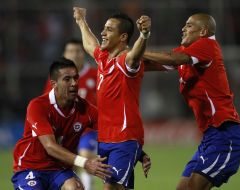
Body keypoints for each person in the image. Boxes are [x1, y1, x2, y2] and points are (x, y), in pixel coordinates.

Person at [143, 13, 240, 189]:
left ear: (203, 31)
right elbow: (149, 64)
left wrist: (129, 52)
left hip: (225, 134)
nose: (183, 29)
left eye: (189, 25)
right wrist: (123, 59)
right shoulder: (187, 54)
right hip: (210, 137)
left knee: (193, 187)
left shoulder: (207, 45)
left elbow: (171, 58)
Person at [73, 7, 151, 190]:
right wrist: (81, 21)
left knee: (111, 188)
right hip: (106, 139)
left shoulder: (126, 61)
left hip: (123, 138)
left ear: (123, 37)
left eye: (109, 29)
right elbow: (89, 45)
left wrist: (144, 35)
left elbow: (135, 56)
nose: (103, 32)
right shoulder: (103, 58)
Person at [12, 57, 112, 190]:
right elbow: (50, 146)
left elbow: (111, 128)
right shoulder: (38, 106)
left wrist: (138, 152)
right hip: (31, 167)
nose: (74, 83)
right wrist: (85, 162)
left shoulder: (85, 108)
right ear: (54, 84)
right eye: (67, 79)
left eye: (76, 78)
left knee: (74, 187)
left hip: (59, 169)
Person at [43, 38, 98, 190]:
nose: (74, 54)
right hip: (66, 131)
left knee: (84, 154)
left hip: (89, 129)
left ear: (83, 54)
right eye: (70, 51)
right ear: (65, 54)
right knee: (67, 166)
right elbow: (48, 104)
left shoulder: (96, 74)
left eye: (78, 51)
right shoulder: (56, 79)